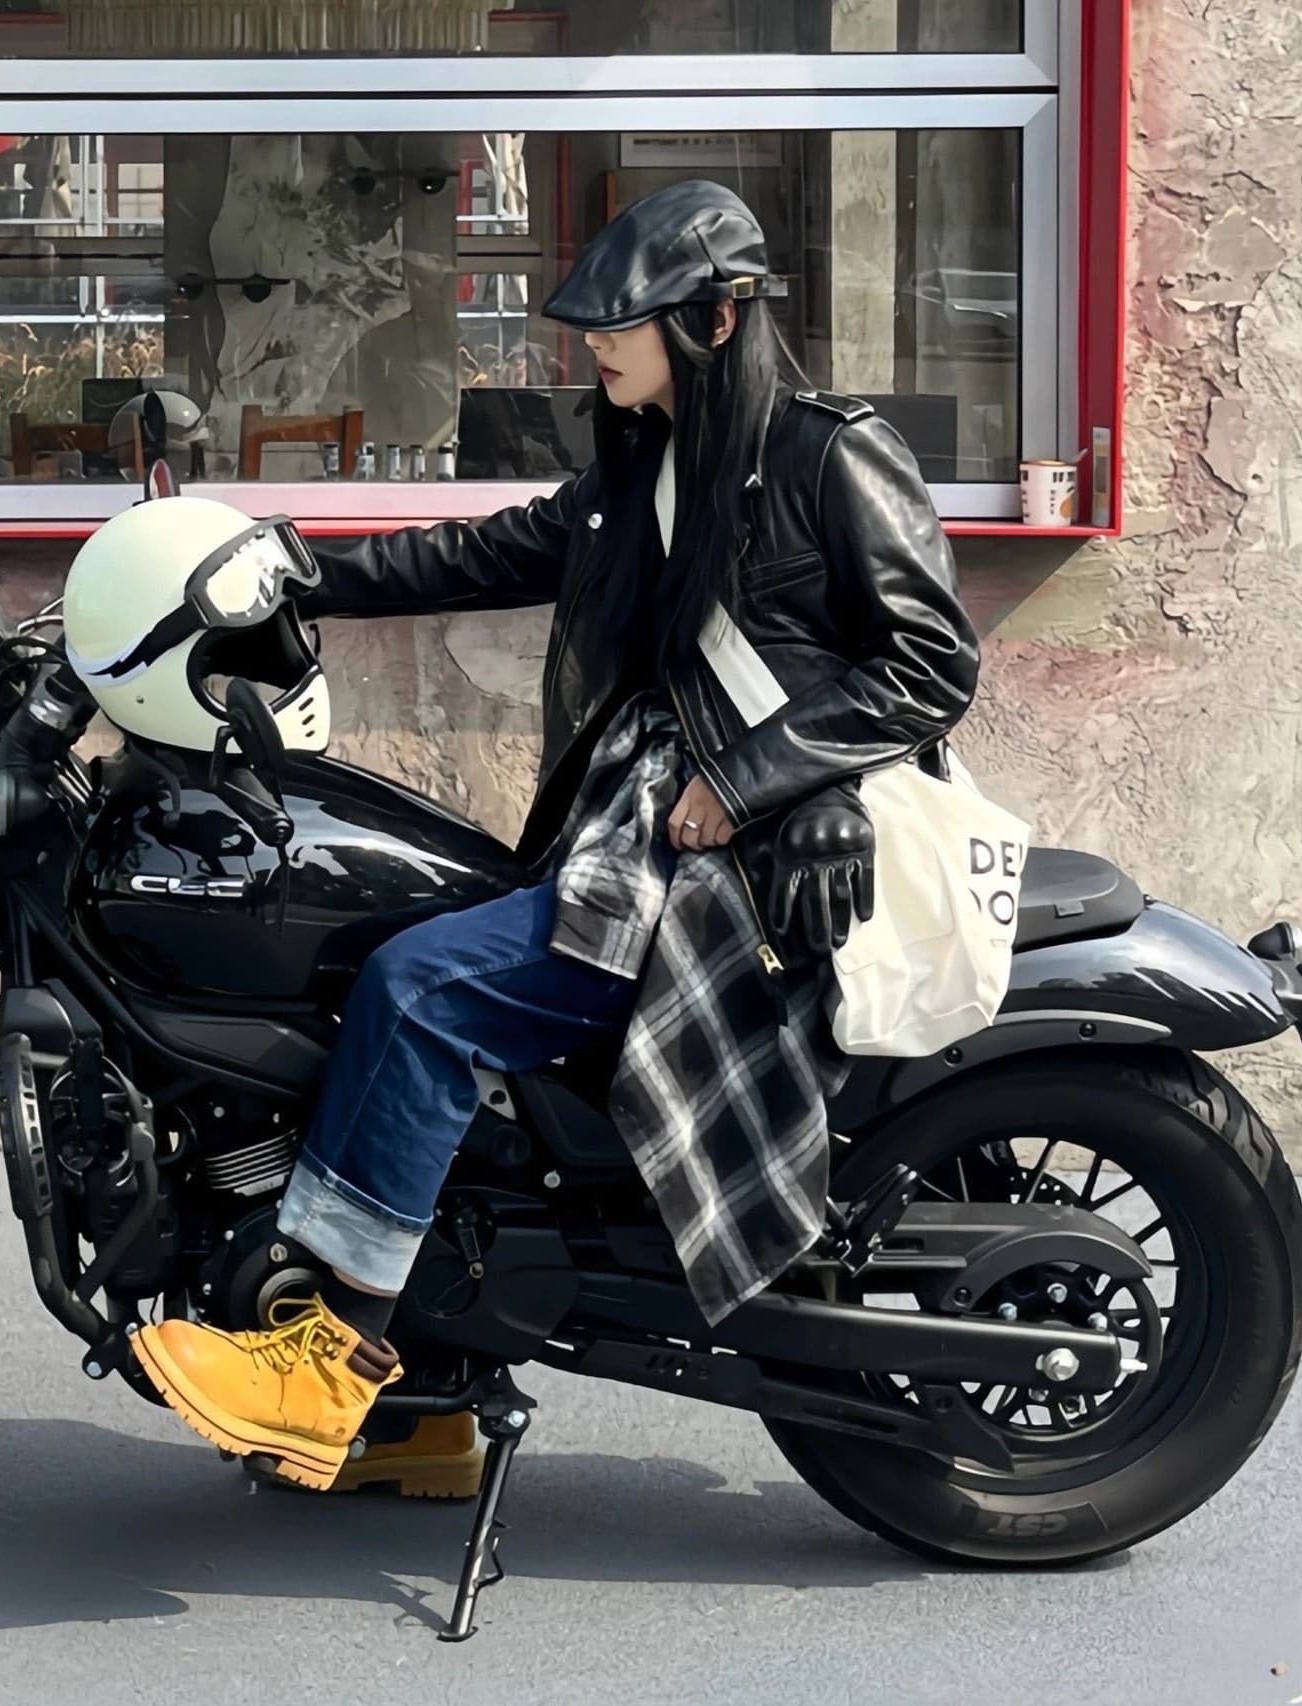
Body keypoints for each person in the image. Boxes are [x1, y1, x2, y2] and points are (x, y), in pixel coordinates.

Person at [125, 181, 982, 1495]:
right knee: (387, 941)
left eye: (619, 323)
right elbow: (482, 554)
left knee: (421, 989)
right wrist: (290, 569)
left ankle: (334, 1357)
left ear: (715, 317)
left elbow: (931, 662)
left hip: (721, 866)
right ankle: (423, 1413)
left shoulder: (825, 450)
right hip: (632, 830)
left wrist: (754, 779)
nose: (594, 346)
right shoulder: (648, 473)